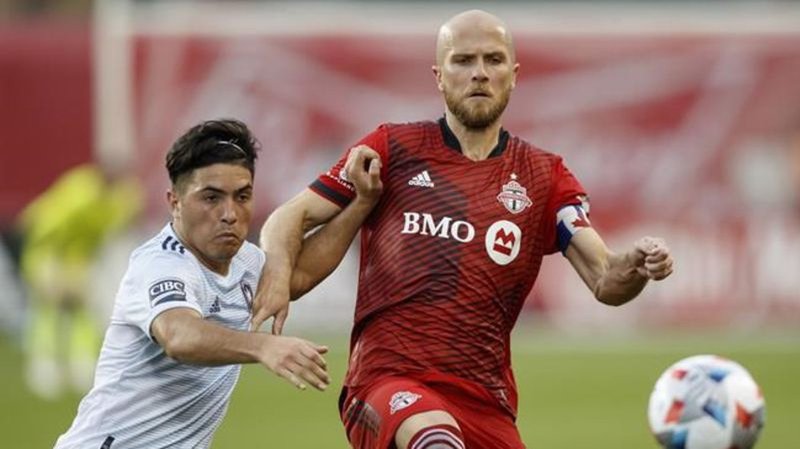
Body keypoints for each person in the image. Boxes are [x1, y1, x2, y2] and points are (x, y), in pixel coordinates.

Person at [255, 10, 674, 449]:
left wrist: (636, 265)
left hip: (484, 402)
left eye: (493, 60)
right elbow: (290, 216)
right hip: (386, 383)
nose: (479, 73)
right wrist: (278, 276)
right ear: (439, 76)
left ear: (513, 75)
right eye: (463, 60)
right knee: (437, 441)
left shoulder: (544, 177)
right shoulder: (392, 149)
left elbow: (605, 279)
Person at [54, 118, 382, 449]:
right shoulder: (161, 264)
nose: (230, 213)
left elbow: (297, 276)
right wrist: (263, 346)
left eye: (242, 196)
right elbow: (178, 336)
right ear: (174, 202)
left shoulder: (244, 262)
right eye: (211, 198)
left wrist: (361, 205)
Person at [17, 158, 143, 399]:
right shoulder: (80, 191)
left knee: (82, 310)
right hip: (49, 251)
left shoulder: (123, 197)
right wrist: (51, 268)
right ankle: (44, 366)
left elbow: (116, 225)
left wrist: (79, 266)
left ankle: (82, 363)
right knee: (49, 308)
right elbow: (45, 225)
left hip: (79, 257)